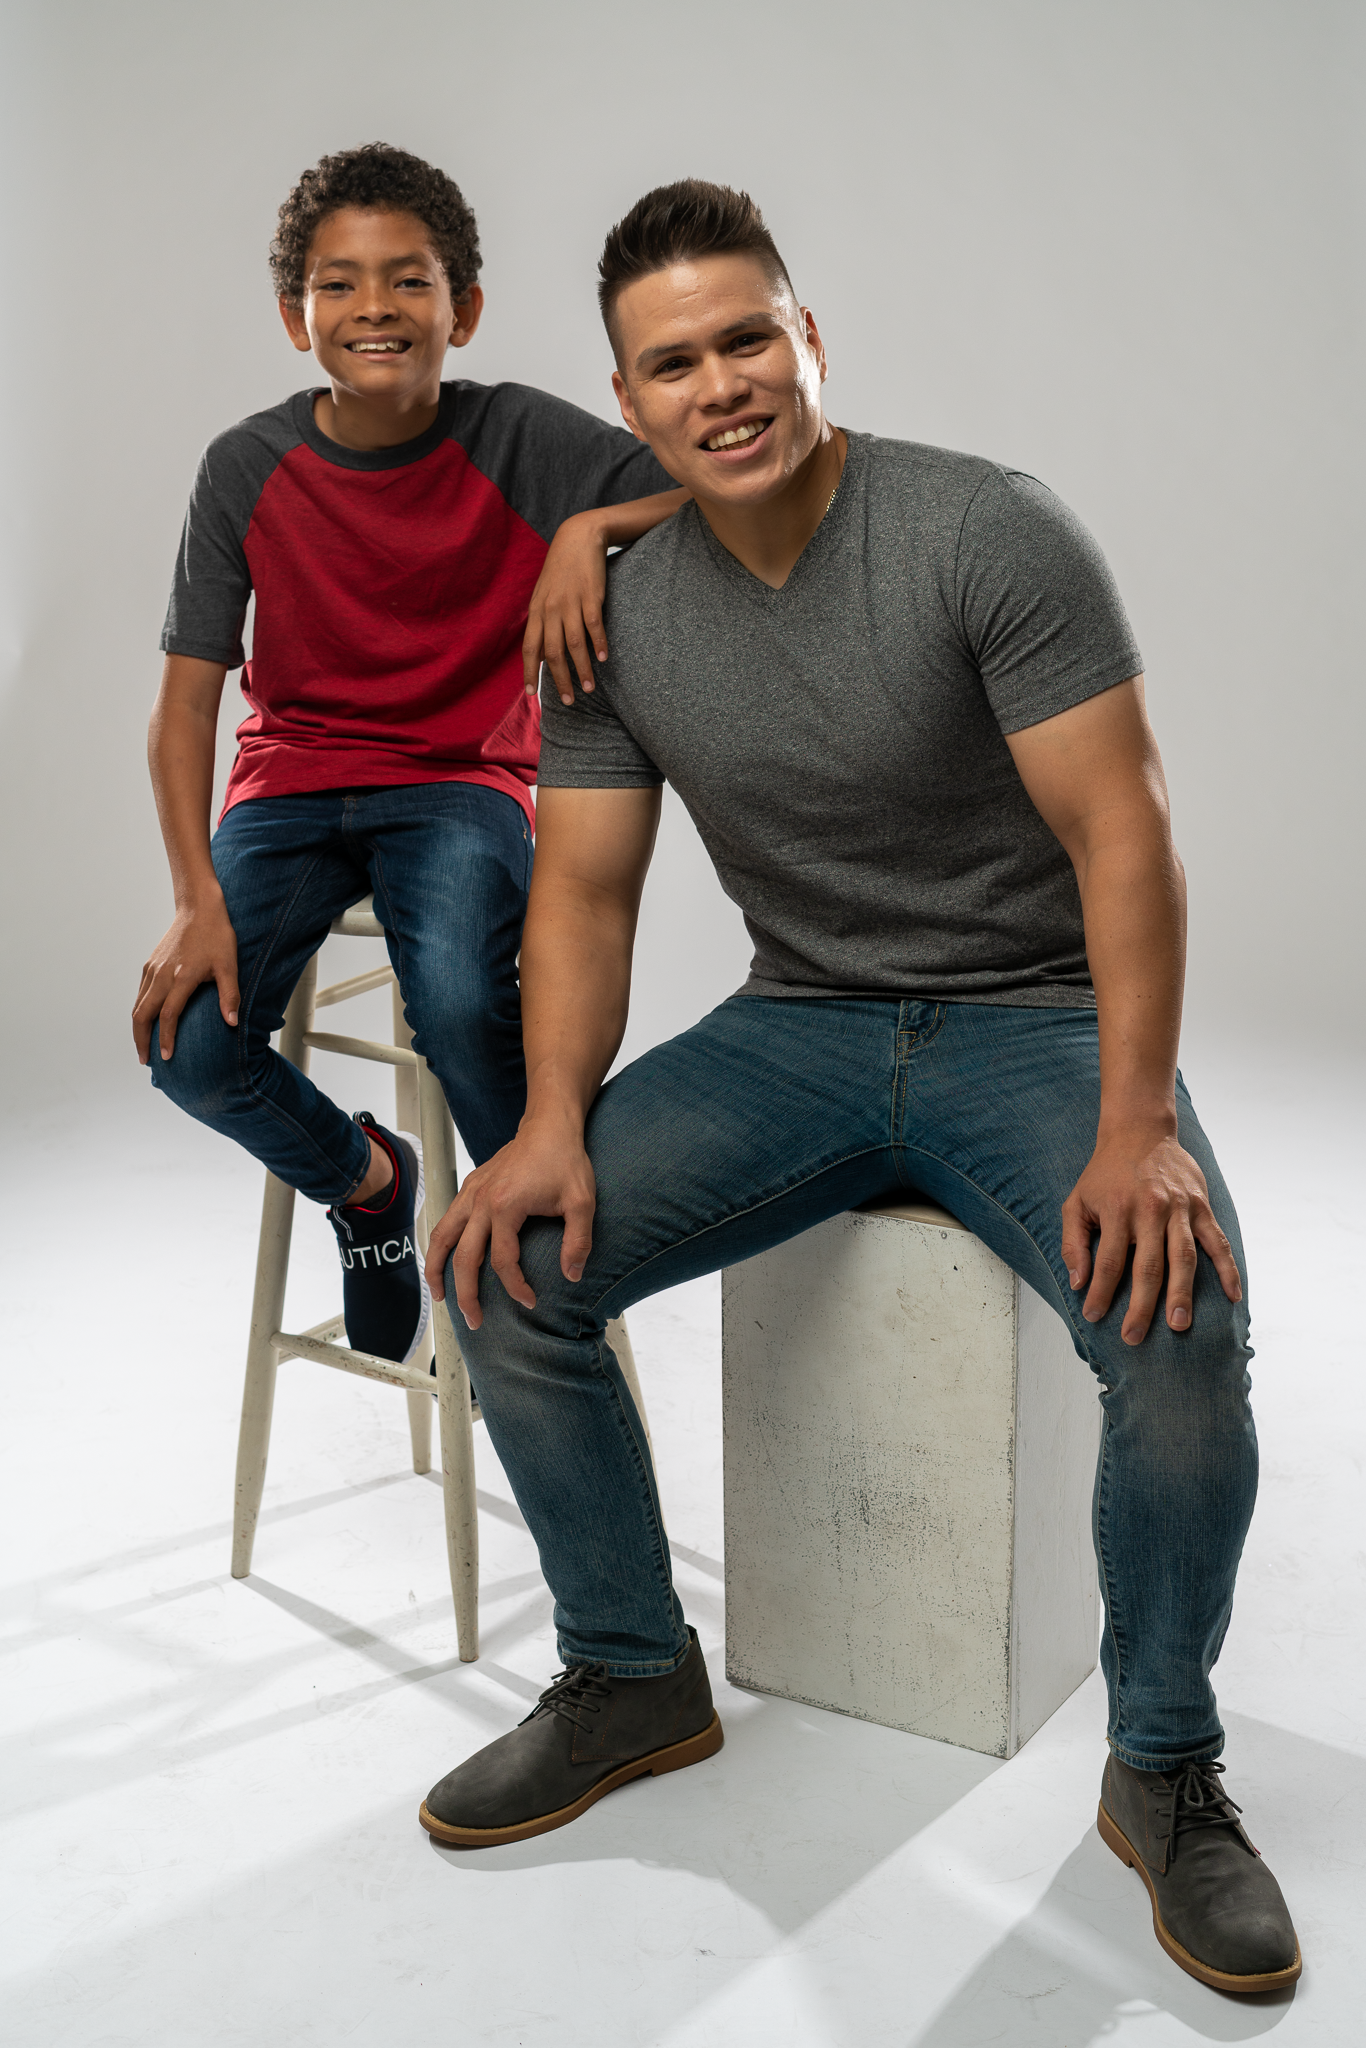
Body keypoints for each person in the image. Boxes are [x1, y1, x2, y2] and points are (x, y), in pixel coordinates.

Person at [415, 181, 1301, 1996]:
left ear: (811, 337)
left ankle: (1164, 1764)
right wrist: (553, 1118)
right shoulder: (608, 604)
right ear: (628, 396)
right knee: (505, 1263)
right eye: (675, 362)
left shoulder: (985, 530)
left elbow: (1121, 833)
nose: (722, 383)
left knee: (1180, 1327)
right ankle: (633, 1671)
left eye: (751, 337)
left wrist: (1138, 1120)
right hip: (802, 1019)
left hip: (1038, 1017)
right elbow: (583, 888)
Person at [133, 143, 683, 1367]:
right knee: (191, 1045)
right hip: (291, 782)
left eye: (408, 281)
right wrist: (195, 898)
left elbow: (713, 486)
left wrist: (589, 523)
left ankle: (527, 1287)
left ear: (462, 309)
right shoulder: (246, 465)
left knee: (462, 1005)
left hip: (458, 779)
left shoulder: (524, 440)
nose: (373, 307)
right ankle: (373, 1185)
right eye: (339, 284)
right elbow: (183, 707)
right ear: (297, 317)